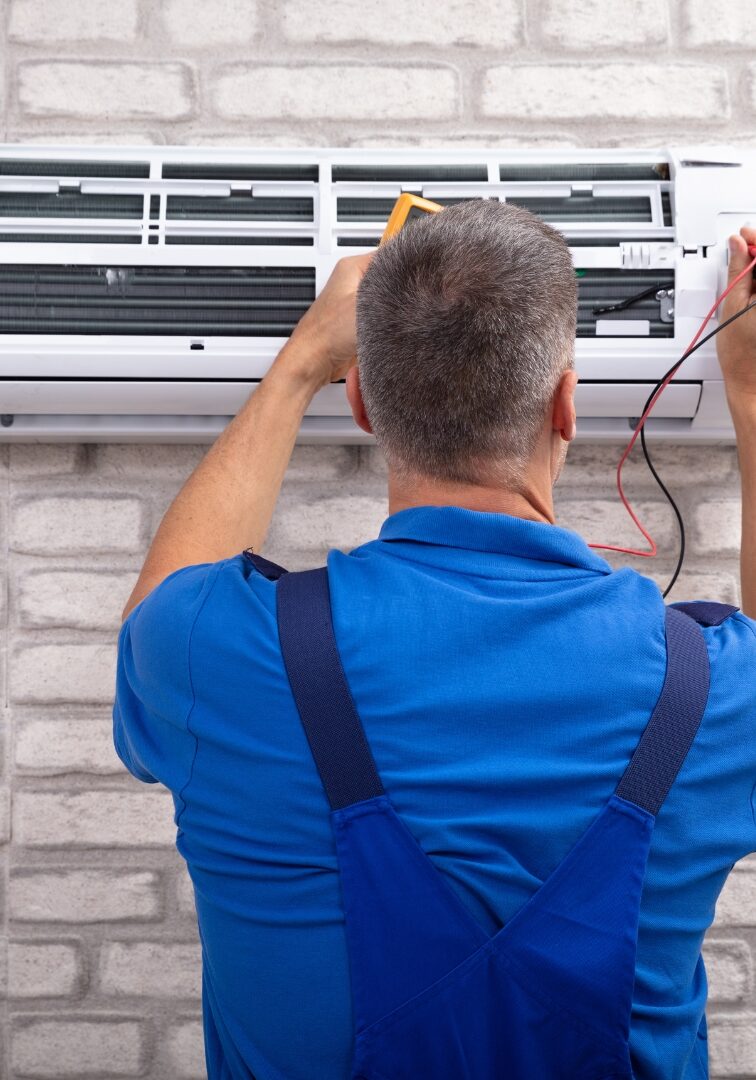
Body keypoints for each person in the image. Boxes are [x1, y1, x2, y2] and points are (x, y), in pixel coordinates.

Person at [113, 199, 756, 1079]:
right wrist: (751, 403)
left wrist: (300, 364)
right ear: (566, 404)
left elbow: (157, 612)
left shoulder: (215, 653)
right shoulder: (713, 690)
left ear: (364, 402)